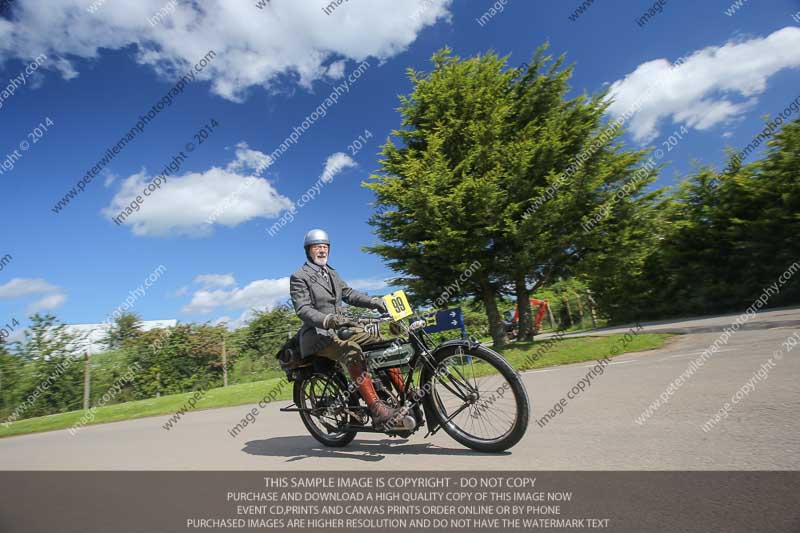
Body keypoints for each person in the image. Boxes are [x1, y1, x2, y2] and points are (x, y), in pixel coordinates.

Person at [289, 229, 405, 427]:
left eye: (325, 246)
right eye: (317, 247)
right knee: (353, 352)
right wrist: (329, 320)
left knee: (383, 344)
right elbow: (303, 309)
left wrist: (375, 302)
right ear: (308, 250)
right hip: (318, 336)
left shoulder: (332, 273)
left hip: (342, 329)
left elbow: (349, 294)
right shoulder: (300, 276)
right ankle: (377, 410)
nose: (322, 250)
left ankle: (404, 393)